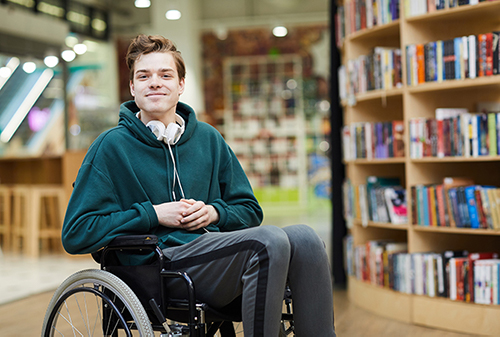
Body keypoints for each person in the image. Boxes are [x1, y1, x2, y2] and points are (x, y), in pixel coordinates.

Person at [62, 34, 336, 337]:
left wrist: (214, 214)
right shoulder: (110, 147)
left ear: (181, 85)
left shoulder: (208, 139)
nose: (154, 82)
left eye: (165, 75)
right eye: (144, 76)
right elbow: (76, 233)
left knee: (306, 239)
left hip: (215, 257)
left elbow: (249, 210)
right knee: (268, 240)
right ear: (132, 87)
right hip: (160, 269)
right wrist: (154, 214)